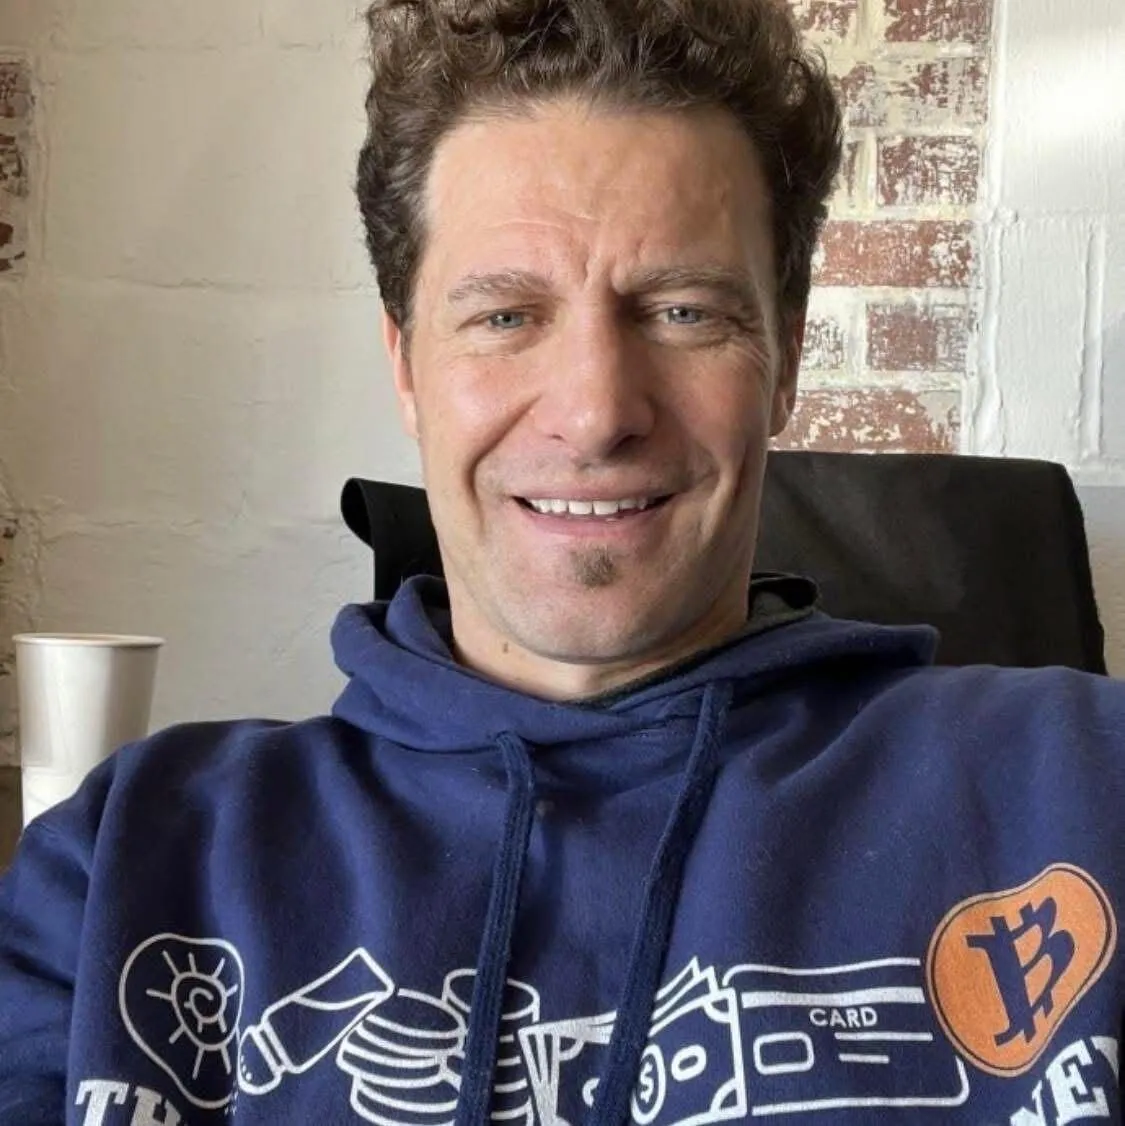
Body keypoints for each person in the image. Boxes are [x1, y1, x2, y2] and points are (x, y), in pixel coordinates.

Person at [2, 0, 1124, 1122]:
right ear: (407, 368)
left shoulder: (1084, 787)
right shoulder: (126, 866)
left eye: (682, 312)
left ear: (784, 360)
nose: (594, 413)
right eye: (505, 316)